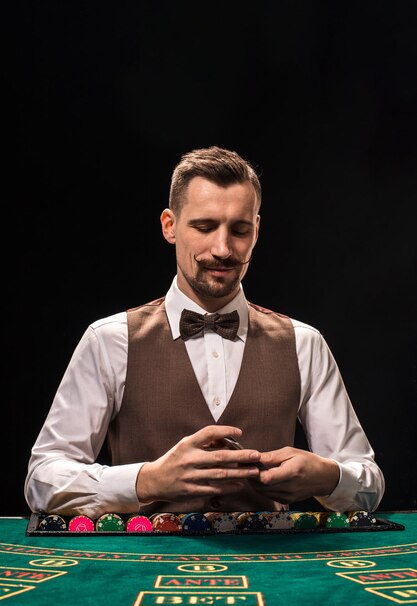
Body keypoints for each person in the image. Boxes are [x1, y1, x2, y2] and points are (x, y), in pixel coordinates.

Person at [25, 145, 385, 520]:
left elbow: (368, 486)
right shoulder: (109, 340)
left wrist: (327, 478)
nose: (223, 248)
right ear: (169, 226)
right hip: (137, 569)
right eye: (204, 226)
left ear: (257, 230)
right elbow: (42, 480)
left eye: (240, 229)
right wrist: (145, 481)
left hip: (278, 567)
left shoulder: (304, 343)